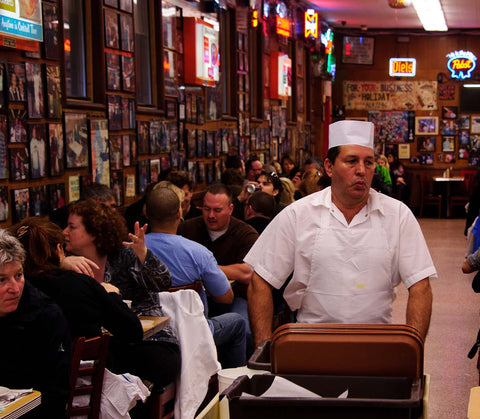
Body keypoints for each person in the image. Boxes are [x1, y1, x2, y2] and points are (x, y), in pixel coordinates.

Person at [245, 120, 437, 345]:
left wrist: (412, 350)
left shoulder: (397, 215)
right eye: (351, 161)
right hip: (311, 343)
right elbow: (260, 280)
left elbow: (421, 285)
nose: (361, 171)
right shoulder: (299, 214)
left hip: (378, 344)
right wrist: (263, 349)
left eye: (368, 162)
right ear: (328, 167)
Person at [61, 199, 179, 389]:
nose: (64, 232)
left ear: (94, 233)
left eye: (71, 227)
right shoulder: (67, 266)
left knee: (125, 367)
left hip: (148, 342)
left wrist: (143, 255)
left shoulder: (123, 256)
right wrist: (61, 264)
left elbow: (164, 283)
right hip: (106, 349)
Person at [144, 187, 249, 368]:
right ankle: (233, 385)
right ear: (179, 213)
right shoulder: (197, 253)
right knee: (238, 322)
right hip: (193, 332)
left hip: (146, 335)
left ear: (146, 213)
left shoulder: (129, 252)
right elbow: (226, 297)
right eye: (207, 209)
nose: (211, 215)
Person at [0, 230, 71, 419]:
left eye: (18, 276)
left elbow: (55, 397)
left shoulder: (46, 316)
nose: (14, 288)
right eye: (2, 280)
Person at [179, 183, 258, 351]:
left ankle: (239, 372)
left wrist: (207, 268)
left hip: (236, 296)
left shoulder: (245, 233)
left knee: (246, 330)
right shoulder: (187, 229)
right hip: (193, 298)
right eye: (206, 209)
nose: (211, 215)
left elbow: (247, 272)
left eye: (217, 210)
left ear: (230, 209)